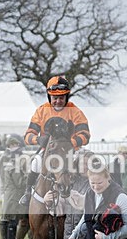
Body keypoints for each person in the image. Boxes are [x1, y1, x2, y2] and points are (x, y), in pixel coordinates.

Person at [19, 75, 91, 205]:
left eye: (61, 98)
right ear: (49, 97)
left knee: (84, 166)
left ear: (66, 97)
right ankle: (28, 192)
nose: (58, 101)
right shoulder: (41, 111)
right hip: (49, 150)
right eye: (55, 98)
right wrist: (38, 139)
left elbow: (85, 135)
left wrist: (71, 143)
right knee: (36, 163)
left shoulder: (75, 111)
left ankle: (90, 195)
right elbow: (28, 136)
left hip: (71, 151)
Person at [0, 137, 27, 239]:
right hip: (13, 194)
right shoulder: (12, 165)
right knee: (12, 220)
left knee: (12, 218)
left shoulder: (11, 163)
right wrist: (28, 178)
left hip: (12, 193)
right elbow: (19, 182)